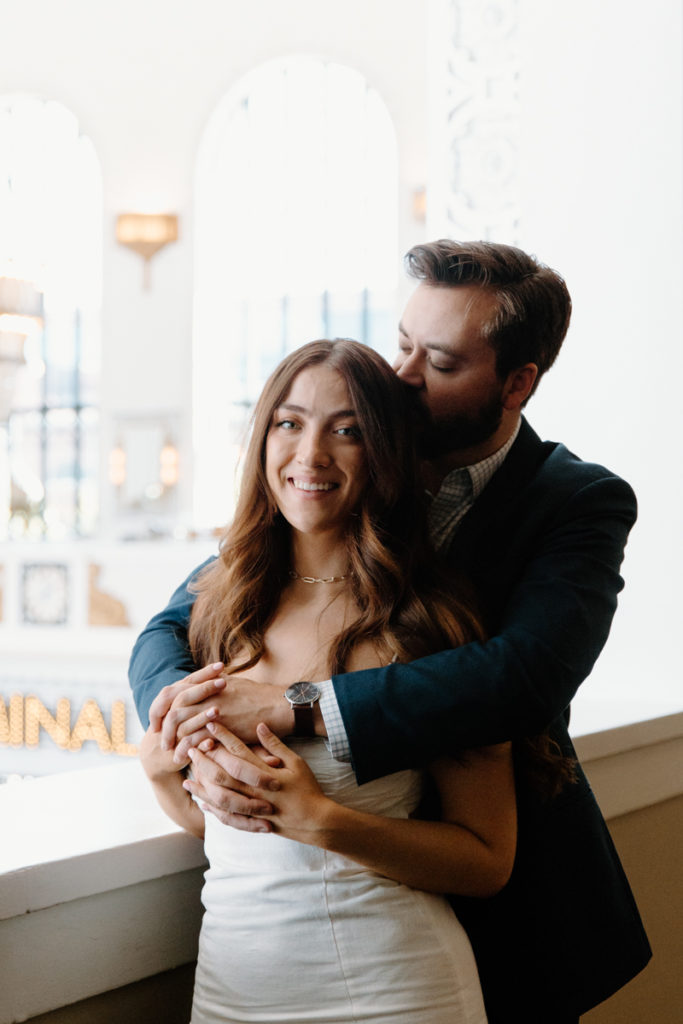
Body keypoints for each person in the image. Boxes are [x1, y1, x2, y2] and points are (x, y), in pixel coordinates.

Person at [130, 241, 651, 1022]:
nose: (402, 376)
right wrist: (178, 723)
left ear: (516, 383)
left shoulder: (573, 503)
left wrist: (294, 709)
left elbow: (522, 675)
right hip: (247, 971)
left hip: (483, 924)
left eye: (437, 363)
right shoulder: (309, 503)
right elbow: (170, 628)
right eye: (402, 343)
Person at [141, 338, 525, 1023]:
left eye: (345, 430)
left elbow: (486, 859)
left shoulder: (426, 620)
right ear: (262, 438)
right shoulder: (217, 604)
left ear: (382, 451)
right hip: (230, 992)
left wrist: (323, 822)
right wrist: (161, 770)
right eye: (289, 423)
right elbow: (223, 831)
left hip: (391, 990)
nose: (310, 454)